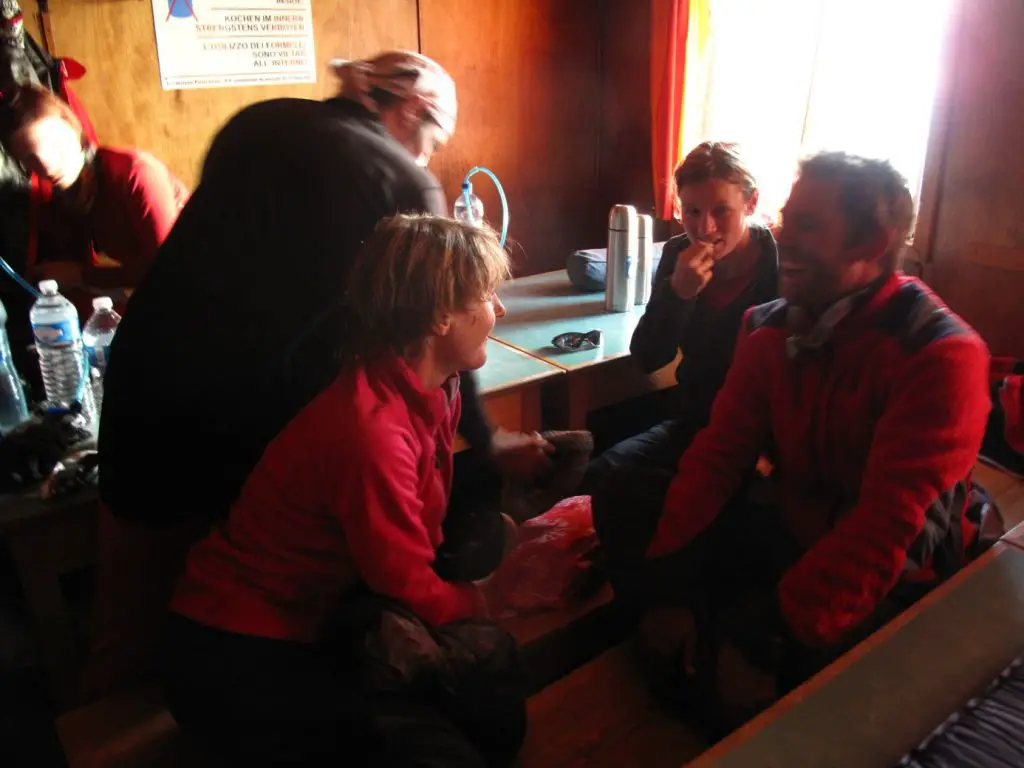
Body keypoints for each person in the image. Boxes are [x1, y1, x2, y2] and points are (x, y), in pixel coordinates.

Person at [83, 51, 548, 698]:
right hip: (245, 415)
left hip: (143, 382)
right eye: (432, 139)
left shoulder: (262, 120)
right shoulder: (399, 180)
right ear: (412, 109)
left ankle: (111, 718)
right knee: (270, 606)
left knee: (131, 623)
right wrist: (489, 439)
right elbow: (435, 326)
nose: (425, 156)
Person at [593, 152, 991, 734]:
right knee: (630, 502)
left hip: (894, 567)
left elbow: (889, 531)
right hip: (793, 521)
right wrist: (666, 587)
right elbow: (716, 457)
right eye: (787, 218)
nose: (783, 236)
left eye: (808, 225)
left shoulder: (938, 355)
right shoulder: (769, 328)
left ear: (874, 242)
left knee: (759, 696)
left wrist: (769, 631)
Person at [159, 214, 524, 767]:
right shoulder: (370, 429)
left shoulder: (432, 389)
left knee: (494, 711)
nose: (499, 310)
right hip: (235, 649)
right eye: (487, 295)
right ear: (440, 316)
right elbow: (401, 581)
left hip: (325, 608)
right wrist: (492, 597)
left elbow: (415, 540)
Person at [580, 142, 777, 492]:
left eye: (721, 211)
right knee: (604, 474)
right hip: (693, 423)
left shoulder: (780, 269)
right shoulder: (676, 256)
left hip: (761, 438)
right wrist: (678, 293)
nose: (705, 227)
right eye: (693, 211)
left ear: (752, 203)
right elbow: (649, 357)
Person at [0, 84, 187, 293]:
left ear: (72, 125)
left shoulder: (135, 173)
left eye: (53, 145)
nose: (47, 166)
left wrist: (82, 275)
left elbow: (170, 270)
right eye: (30, 158)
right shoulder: (71, 194)